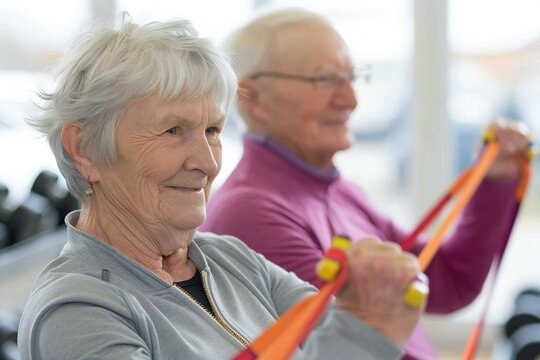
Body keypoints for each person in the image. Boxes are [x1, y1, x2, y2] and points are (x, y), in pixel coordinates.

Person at [16, 16, 427, 360]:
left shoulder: (235, 260)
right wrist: (366, 327)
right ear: (84, 149)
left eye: (212, 130)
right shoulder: (74, 310)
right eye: (173, 130)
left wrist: (373, 302)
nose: (208, 162)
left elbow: (348, 333)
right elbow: (357, 338)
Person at [200, 8, 532, 360]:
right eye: (325, 79)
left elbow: (449, 281)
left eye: (351, 77)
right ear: (254, 98)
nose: (350, 100)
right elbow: (357, 344)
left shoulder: (339, 192)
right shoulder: (251, 213)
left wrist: (494, 180)